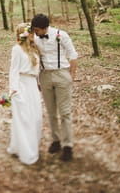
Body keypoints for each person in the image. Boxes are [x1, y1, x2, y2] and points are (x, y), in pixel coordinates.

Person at [31, 13, 79, 161]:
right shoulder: (34, 38)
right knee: (51, 112)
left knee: (65, 113)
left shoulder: (61, 35)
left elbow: (73, 55)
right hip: (45, 76)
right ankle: (56, 140)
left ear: (45, 28)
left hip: (61, 74)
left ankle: (68, 146)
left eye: (37, 30)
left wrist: (71, 75)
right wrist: (38, 78)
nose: (35, 32)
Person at [7, 22, 42, 165]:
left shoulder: (34, 49)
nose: (35, 35)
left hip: (33, 86)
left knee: (36, 119)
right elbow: (13, 70)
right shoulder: (17, 49)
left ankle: (18, 147)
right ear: (26, 34)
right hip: (21, 85)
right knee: (24, 120)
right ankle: (27, 153)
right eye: (32, 33)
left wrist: (39, 83)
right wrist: (14, 89)